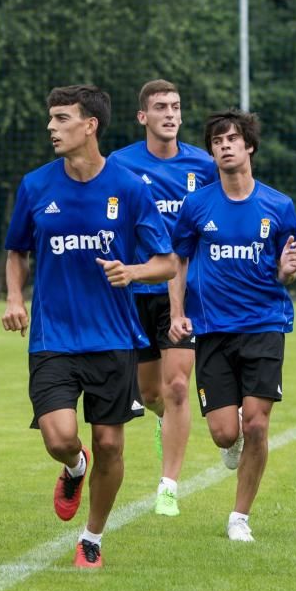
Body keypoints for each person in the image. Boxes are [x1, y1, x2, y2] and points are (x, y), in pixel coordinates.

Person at [2, 85, 176, 568]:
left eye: (61, 118)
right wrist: (15, 298)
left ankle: (92, 538)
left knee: (110, 443)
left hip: (114, 337)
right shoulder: (36, 186)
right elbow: (17, 250)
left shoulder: (130, 187)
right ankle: (74, 468)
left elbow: (166, 262)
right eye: (51, 118)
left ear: (90, 125)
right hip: (52, 337)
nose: (52, 127)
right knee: (61, 439)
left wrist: (133, 272)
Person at [169, 108, 296, 542]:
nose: (224, 146)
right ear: (212, 151)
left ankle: (239, 518)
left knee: (258, 424)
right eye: (217, 141)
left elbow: (287, 269)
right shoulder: (196, 205)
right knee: (226, 431)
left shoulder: (279, 206)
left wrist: (287, 270)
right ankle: (233, 446)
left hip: (265, 323)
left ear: (249, 147)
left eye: (232, 139)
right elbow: (178, 261)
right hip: (212, 329)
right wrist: (176, 312)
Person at [107, 79, 217, 517]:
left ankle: (168, 485)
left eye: (175, 107)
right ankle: (161, 419)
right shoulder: (120, 164)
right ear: (143, 117)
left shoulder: (203, 165)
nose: (170, 114)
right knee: (150, 392)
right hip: (135, 291)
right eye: (160, 107)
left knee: (176, 386)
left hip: (185, 294)